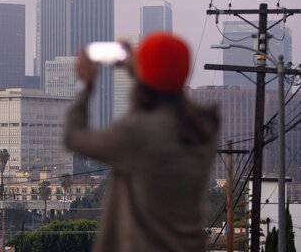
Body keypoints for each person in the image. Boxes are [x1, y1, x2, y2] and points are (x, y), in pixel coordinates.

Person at [65, 33, 219, 251]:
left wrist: (86, 85)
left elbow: (74, 137)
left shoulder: (137, 132)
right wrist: (138, 68)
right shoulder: (204, 129)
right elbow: (163, 81)